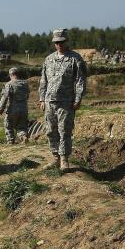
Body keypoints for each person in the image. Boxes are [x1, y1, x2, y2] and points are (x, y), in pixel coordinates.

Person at [38, 28, 87, 172]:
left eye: (61, 42)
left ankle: (64, 159)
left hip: (66, 102)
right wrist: (42, 98)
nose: (59, 44)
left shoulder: (75, 59)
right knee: (50, 131)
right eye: (56, 42)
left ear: (67, 41)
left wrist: (78, 98)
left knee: (64, 131)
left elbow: (80, 80)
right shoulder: (49, 59)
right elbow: (43, 80)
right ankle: (55, 158)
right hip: (49, 102)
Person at [0, 67, 29, 144]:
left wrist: (0, 109)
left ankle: (11, 142)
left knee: (8, 125)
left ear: (11, 75)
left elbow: (4, 97)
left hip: (13, 109)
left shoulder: (9, 84)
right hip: (24, 109)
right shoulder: (25, 83)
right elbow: (27, 96)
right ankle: (23, 136)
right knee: (21, 126)